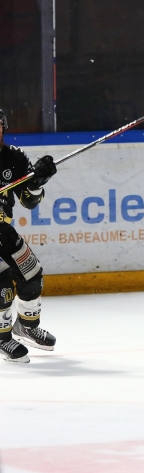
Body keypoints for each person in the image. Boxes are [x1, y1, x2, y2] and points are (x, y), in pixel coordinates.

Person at [0, 107, 58, 363]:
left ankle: (25, 326)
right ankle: (2, 339)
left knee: (31, 274)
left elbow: (29, 201)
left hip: (2, 230)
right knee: (2, 286)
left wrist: (36, 181)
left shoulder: (13, 157)